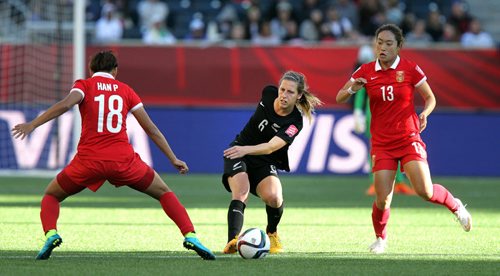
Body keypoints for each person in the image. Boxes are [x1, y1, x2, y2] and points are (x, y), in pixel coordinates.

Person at [11, 51, 215, 261]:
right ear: (115, 70)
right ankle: (190, 235)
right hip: (123, 161)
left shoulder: (84, 85)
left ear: (91, 69)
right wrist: (173, 158)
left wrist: (32, 124)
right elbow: (151, 129)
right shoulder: (126, 91)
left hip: (88, 161)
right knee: (164, 192)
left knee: (52, 196)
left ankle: (51, 234)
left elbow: (65, 105)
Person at [336, 24, 472, 254]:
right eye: (379, 42)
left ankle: (456, 205)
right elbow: (340, 97)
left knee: (424, 191)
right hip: (382, 142)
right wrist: (353, 88)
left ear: (399, 46)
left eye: (389, 43)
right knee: (382, 199)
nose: (383, 47)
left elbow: (430, 98)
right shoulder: (366, 70)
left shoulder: (410, 68)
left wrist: (425, 113)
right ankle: (380, 239)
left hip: (408, 137)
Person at [222, 71, 322, 254]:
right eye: (282, 89)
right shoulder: (268, 93)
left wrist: (246, 149)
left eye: (290, 92)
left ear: (299, 95)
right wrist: (242, 149)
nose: (284, 95)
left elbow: (270, 147)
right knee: (241, 191)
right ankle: (233, 241)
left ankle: (272, 233)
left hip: (263, 158)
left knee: (275, 198)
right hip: (238, 151)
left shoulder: (294, 123)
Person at [353, 44, 415, 196]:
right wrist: (357, 112)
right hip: (373, 114)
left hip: (392, 114)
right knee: (375, 149)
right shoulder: (368, 70)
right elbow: (360, 92)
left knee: (398, 147)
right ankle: (375, 182)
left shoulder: (393, 69)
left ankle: (399, 182)